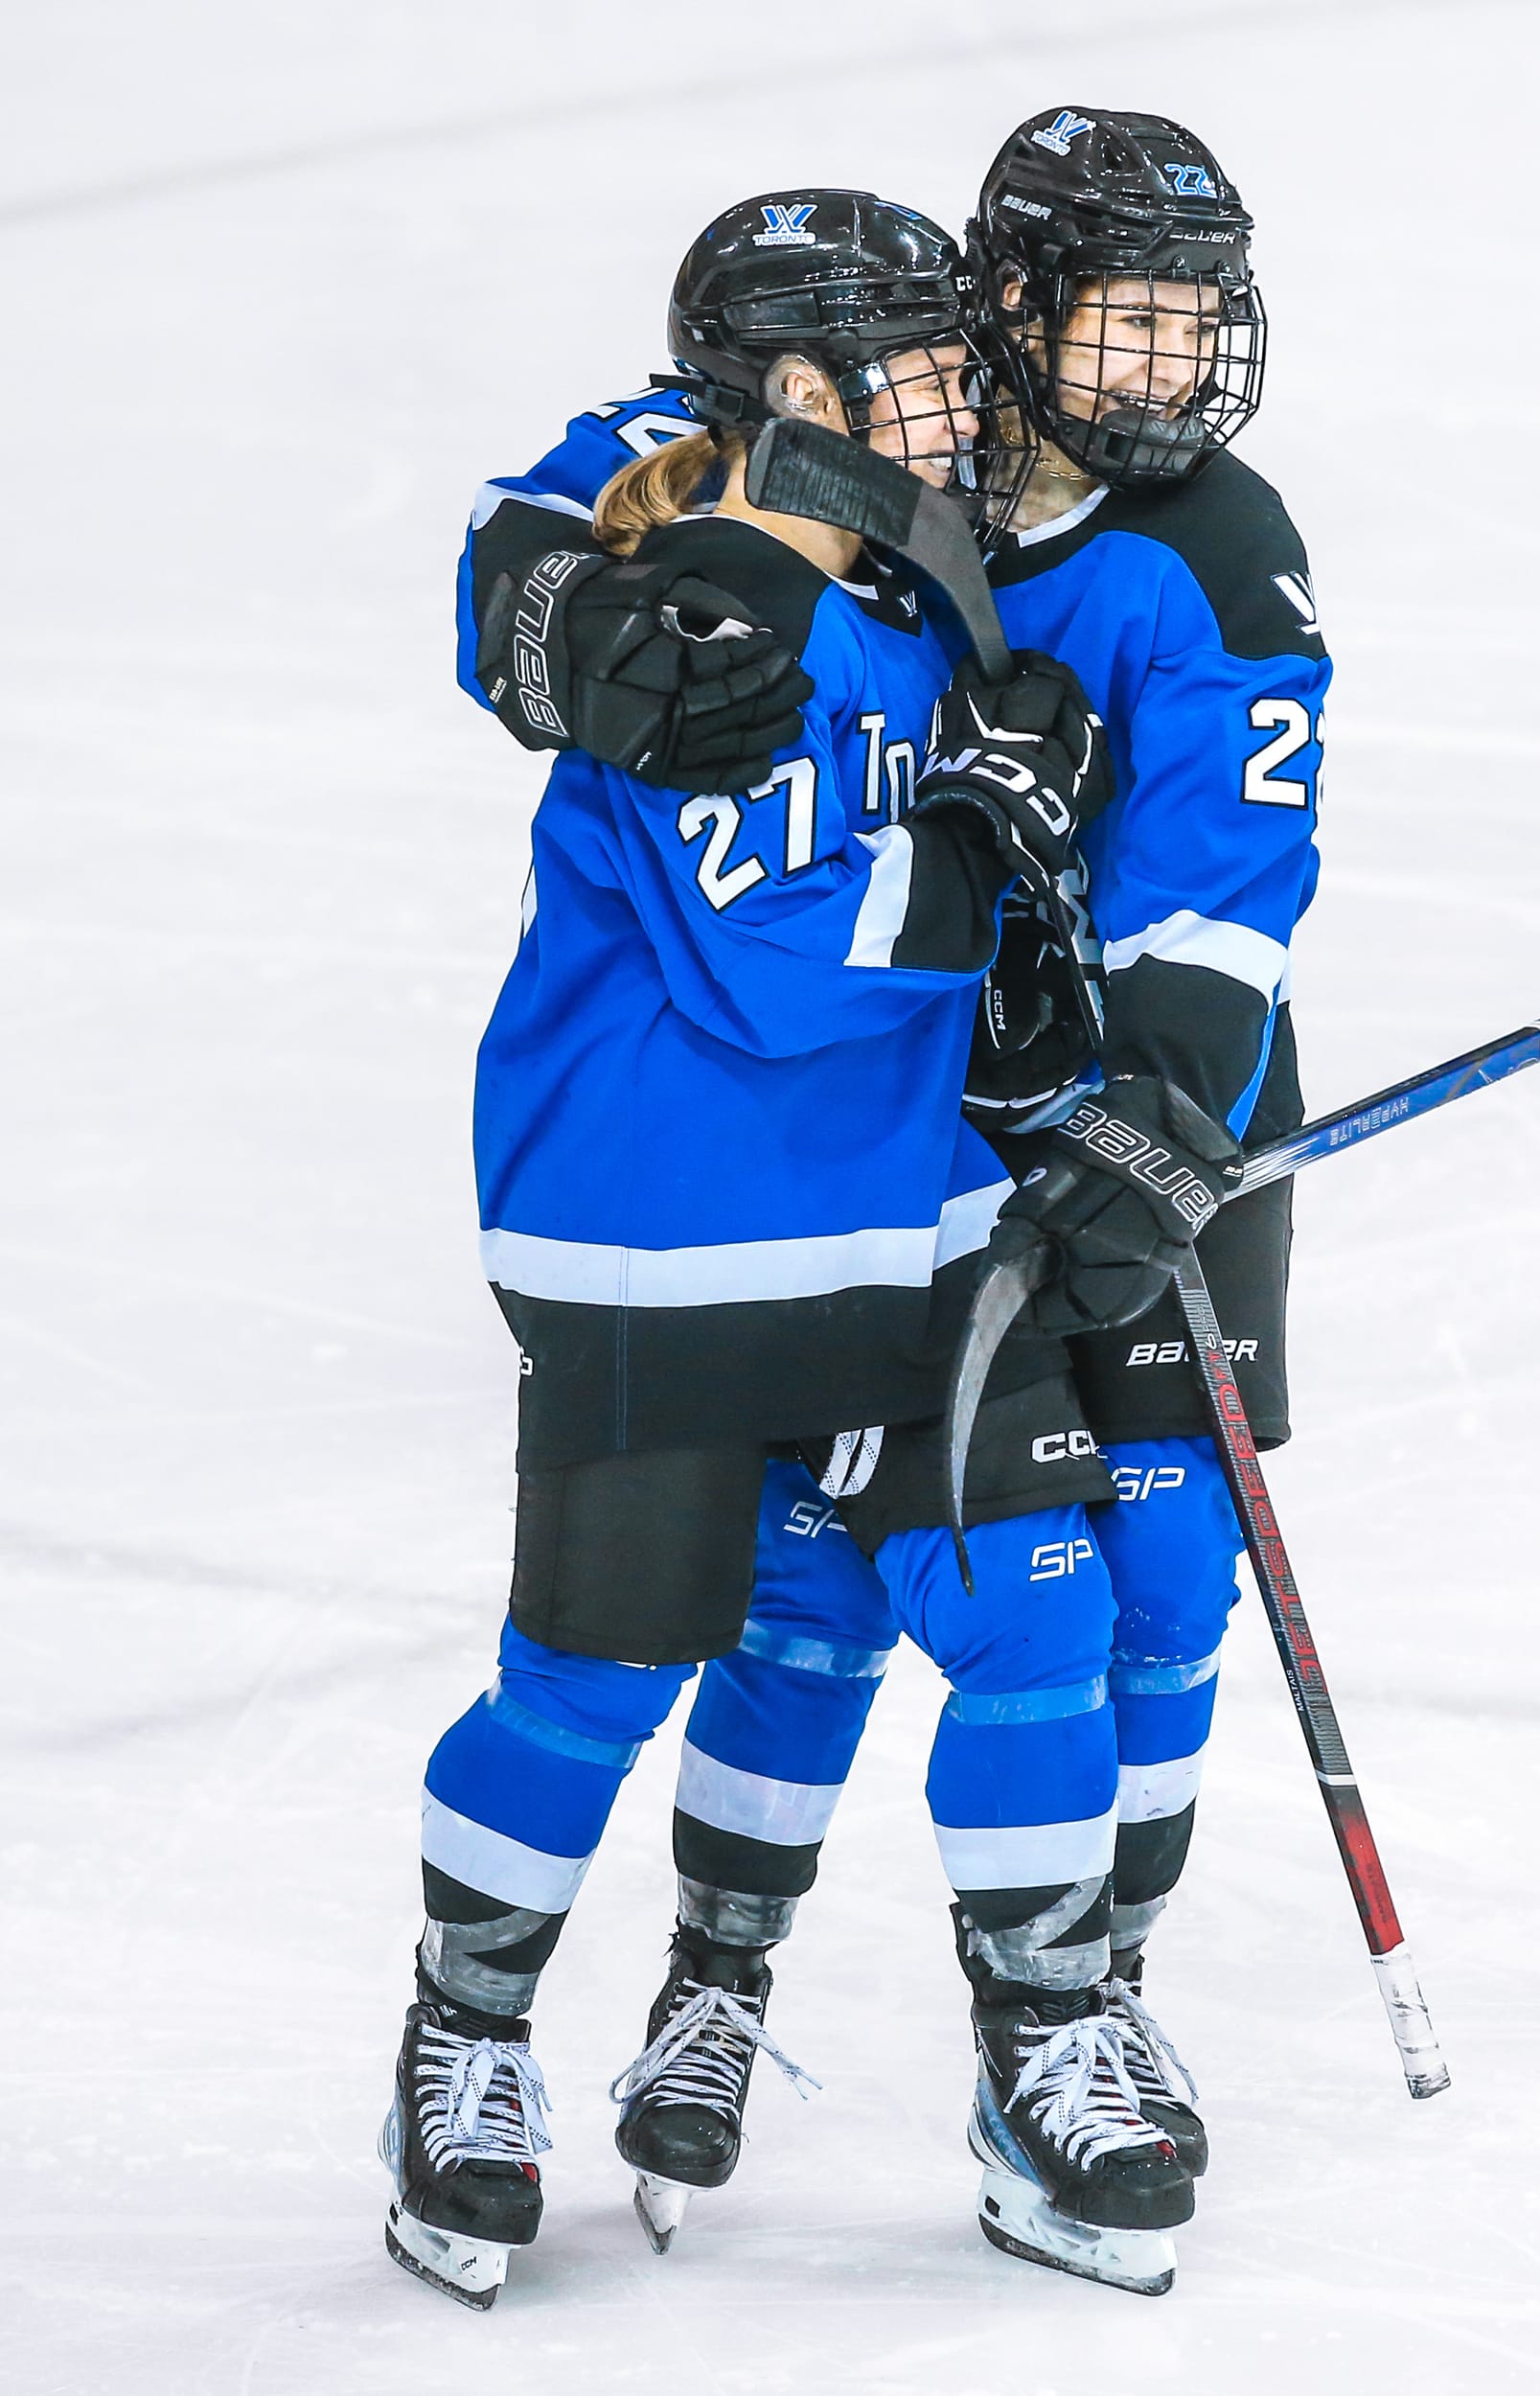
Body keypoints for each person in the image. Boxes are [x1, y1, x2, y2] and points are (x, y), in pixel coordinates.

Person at [385, 186, 1126, 2311]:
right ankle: (466, 2030)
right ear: (792, 385)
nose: (951, 404)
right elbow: (790, 965)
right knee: (598, 1677)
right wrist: (988, 849)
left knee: (1021, 1624)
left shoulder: (911, 545)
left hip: (915, 1231)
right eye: (903, 369)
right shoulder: (701, 567)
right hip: (667, 1229)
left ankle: (1024, 2038)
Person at [614, 111, 1331, 2292]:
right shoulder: (873, 485)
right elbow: (635, 465)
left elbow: (1231, 865)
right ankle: (713, 1980)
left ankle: (1080, 2009)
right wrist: (537, 568)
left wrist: (1162, 1110)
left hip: (1159, 1124)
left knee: (1165, 1555)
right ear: (1004, 310)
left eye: (1198, 316)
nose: (1173, 364)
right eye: (1125, 313)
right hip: (908, 1126)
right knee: (818, 1572)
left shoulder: (1214, 541)